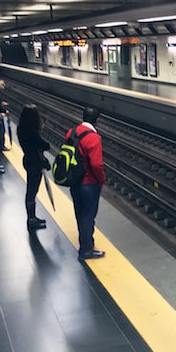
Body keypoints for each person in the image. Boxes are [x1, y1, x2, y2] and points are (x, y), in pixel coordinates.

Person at [69, 105, 106, 261]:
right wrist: (101, 180)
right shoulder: (94, 138)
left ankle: (86, 243)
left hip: (74, 181)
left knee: (80, 215)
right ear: (96, 121)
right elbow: (96, 164)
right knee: (88, 216)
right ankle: (86, 250)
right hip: (88, 183)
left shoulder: (72, 132)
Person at [17, 104, 51, 231]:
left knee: (31, 189)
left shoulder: (21, 129)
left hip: (28, 160)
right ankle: (31, 219)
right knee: (32, 190)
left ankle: (32, 217)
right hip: (35, 162)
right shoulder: (32, 131)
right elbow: (44, 145)